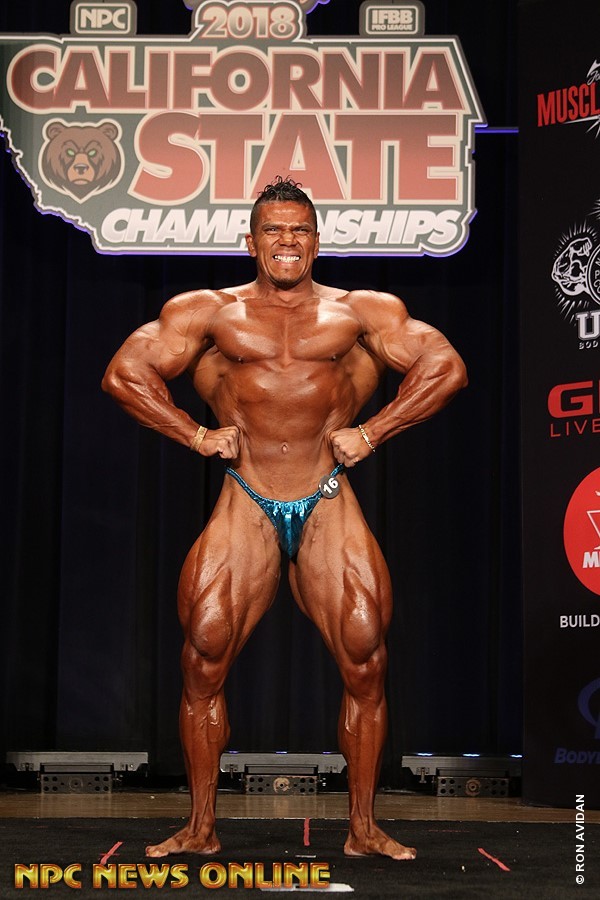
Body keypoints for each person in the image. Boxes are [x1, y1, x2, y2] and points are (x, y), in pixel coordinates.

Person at [102, 176, 467, 861]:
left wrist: (375, 431)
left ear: (317, 241)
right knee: (204, 648)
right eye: (273, 230)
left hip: (325, 493)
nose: (287, 241)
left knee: (365, 652)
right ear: (251, 241)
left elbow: (445, 367)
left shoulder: (360, 312)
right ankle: (200, 827)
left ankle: (362, 829)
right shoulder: (210, 313)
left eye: (299, 230)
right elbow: (125, 374)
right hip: (247, 492)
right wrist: (193, 435)